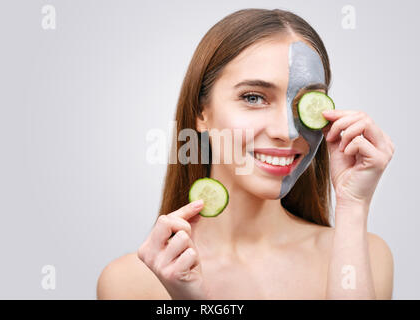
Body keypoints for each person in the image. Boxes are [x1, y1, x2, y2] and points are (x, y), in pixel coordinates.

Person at [97, 8, 395, 299]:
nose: (287, 131)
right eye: (253, 97)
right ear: (202, 112)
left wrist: (352, 204)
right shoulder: (130, 282)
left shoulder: (365, 257)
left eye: (306, 101)